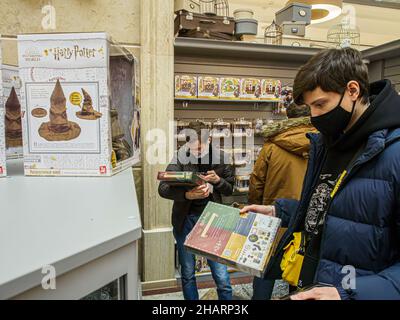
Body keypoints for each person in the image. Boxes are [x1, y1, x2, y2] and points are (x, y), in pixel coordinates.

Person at [242, 47, 400, 300]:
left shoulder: (394, 151)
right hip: (313, 283)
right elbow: (333, 212)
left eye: (320, 104)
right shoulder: (330, 143)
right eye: (310, 107)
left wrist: (348, 294)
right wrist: (279, 211)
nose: (314, 116)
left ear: (352, 90)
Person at [158, 120, 234, 300]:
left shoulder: (221, 158)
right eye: (193, 148)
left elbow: (231, 188)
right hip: (186, 220)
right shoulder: (180, 157)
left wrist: (217, 182)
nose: (197, 151)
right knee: (188, 272)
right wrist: (187, 196)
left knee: (222, 276)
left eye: (201, 147)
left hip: (213, 220)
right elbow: (163, 189)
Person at [249, 103, 316, 300]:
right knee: (299, 272)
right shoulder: (324, 143)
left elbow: (256, 182)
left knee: (264, 271)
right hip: (307, 220)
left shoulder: (271, 146)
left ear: (287, 117)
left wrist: (256, 210)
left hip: (273, 218)